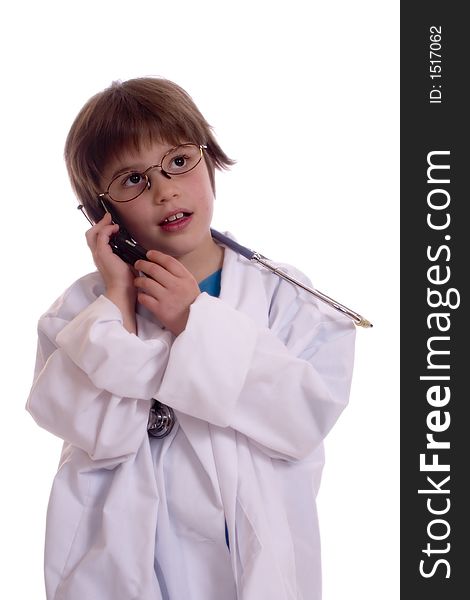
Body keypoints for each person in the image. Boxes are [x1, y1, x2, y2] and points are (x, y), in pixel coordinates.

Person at [26, 77, 356, 600]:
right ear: (102, 212)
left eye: (179, 161)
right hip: (121, 570)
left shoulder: (287, 296)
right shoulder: (82, 313)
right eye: (133, 179)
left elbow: (303, 417)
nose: (165, 191)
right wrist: (117, 298)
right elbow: (101, 433)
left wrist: (194, 320)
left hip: (246, 563)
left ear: (208, 159)